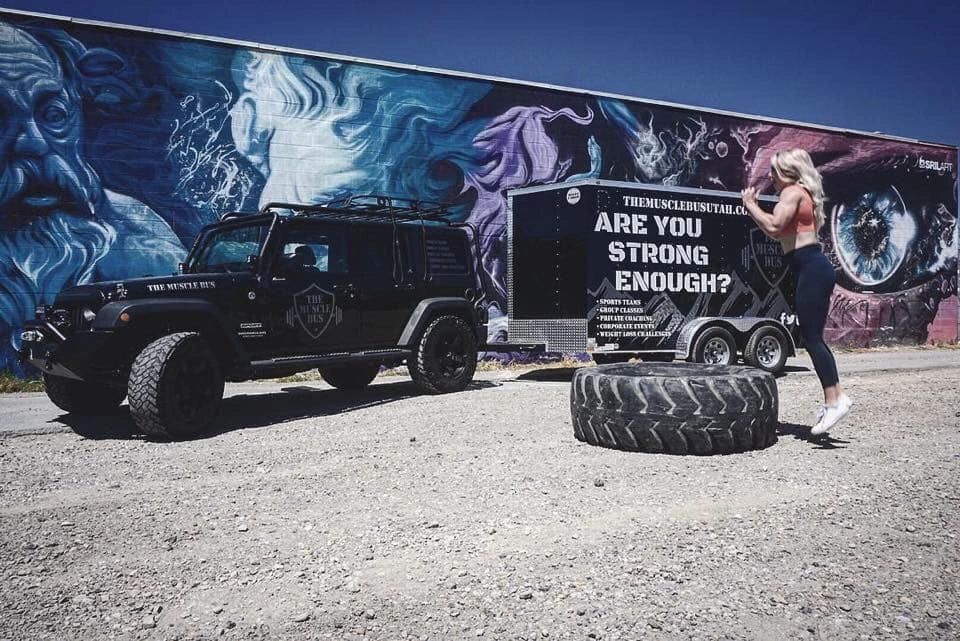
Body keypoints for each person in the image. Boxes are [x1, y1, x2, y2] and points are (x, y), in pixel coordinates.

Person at [741, 148, 851, 435]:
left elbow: (774, 227)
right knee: (812, 338)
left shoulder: (791, 192)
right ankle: (835, 399)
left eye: (774, 171)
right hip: (808, 266)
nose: (770, 177)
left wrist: (750, 204)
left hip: (811, 267)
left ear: (788, 173)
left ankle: (835, 401)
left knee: (812, 338)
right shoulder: (801, 193)